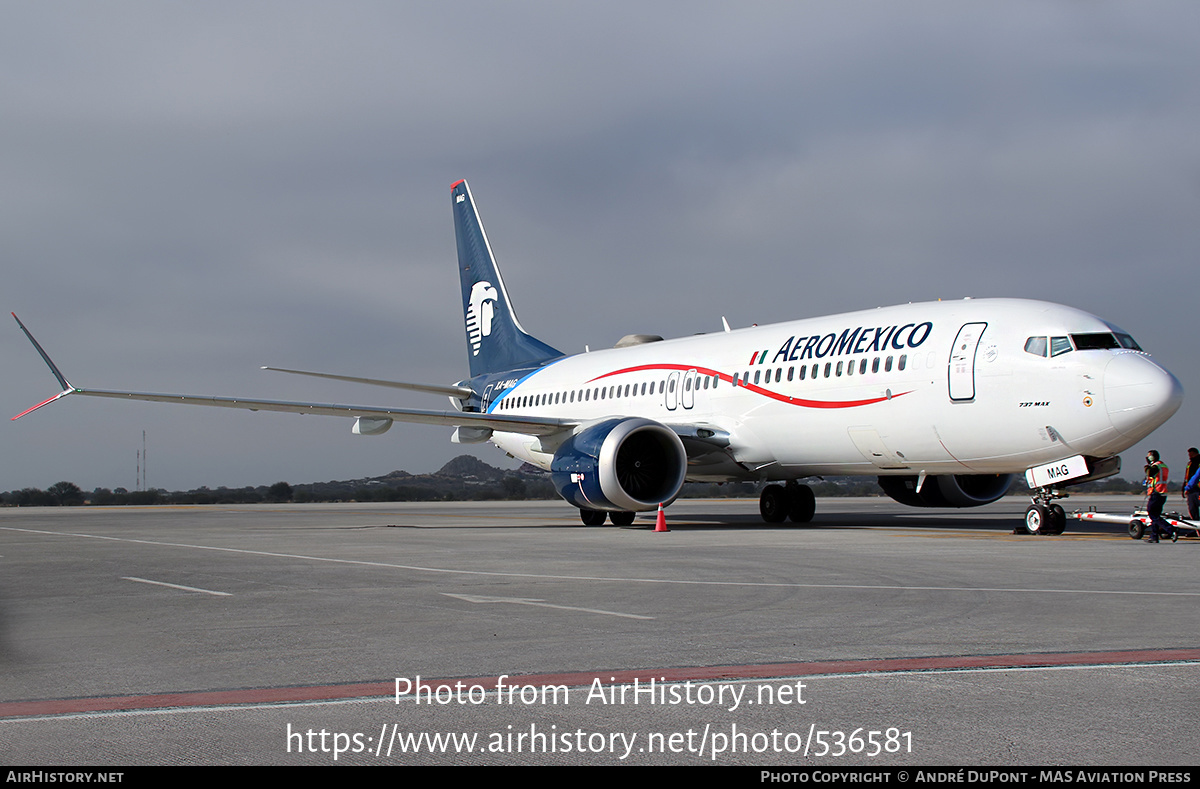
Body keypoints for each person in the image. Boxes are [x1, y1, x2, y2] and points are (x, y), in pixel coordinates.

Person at [1144, 450, 1174, 543]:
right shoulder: (1163, 465)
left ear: (1153, 457)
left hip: (1156, 492)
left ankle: (1170, 529)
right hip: (1162, 493)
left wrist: (1147, 466)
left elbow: (1149, 473)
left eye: (1149, 456)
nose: (1148, 457)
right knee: (1156, 516)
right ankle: (1154, 536)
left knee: (1152, 514)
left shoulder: (1155, 466)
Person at [1183, 447, 1200, 521]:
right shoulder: (1190, 463)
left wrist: (1187, 488)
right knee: (1193, 509)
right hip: (1192, 489)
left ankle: (1196, 527)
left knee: (1193, 508)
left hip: (1196, 490)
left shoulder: (1197, 463)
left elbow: (1195, 477)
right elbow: (1187, 477)